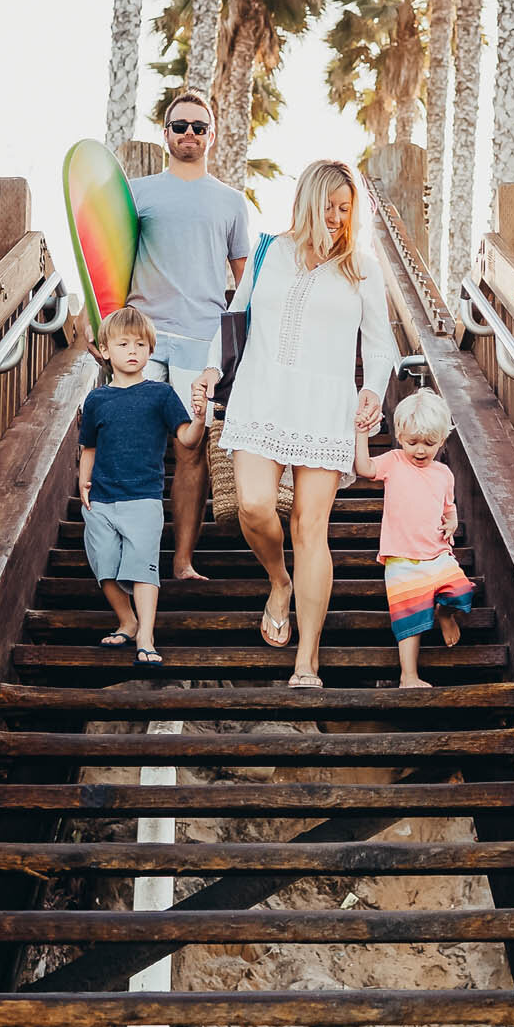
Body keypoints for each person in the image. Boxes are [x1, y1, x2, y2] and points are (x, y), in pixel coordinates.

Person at [192, 160, 396, 690]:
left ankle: (308, 661)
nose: (334, 218)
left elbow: (380, 345)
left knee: (311, 529)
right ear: (305, 201)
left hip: (325, 404)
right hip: (261, 394)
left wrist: (372, 388)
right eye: (326, 206)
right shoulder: (268, 253)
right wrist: (212, 369)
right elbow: (235, 317)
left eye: (344, 209)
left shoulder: (363, 267)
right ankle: (278, 581)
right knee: (254, 505)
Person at [126, 89, 250, 581]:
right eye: (181, 126)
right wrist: (105, 322)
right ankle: (136, 560)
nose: (190, 134)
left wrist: (242, 347)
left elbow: (247, 284)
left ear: (213, 135)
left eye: (200, 126)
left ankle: (181, 562)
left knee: (189, 449)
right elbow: (106, 262)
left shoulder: (231, 202)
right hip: (143, 336)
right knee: (133, 445)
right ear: (165, 133)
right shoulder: (137, 193)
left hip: (201, 341)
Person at [78, 307, 206, 667]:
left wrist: (199, 419)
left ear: (150, 351)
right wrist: (82, 482)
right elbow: (89, 447)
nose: (132, 350)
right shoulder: (97, 399)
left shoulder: (161, 394)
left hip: (144, 498)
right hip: (102, 498)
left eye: (140, 344)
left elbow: (187, 439)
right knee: (103, 564)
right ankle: (127, 620)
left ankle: (146, 637)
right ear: (105, 351)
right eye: (123, 344)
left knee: (142, 567)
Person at [354, 388, 475, 689]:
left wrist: (452, 521)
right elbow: (365, 468)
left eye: (429, 443)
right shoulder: (395, 461)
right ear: (399, 436)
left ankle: (444, 613)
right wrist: (359, 435)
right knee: (408, 619)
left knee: (461, 591)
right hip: (401, 557)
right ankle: (408, 676)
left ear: (442, 441)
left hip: (437, 554)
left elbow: (449, 508)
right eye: (412, 442)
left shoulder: (444, 473)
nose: (420, 450)